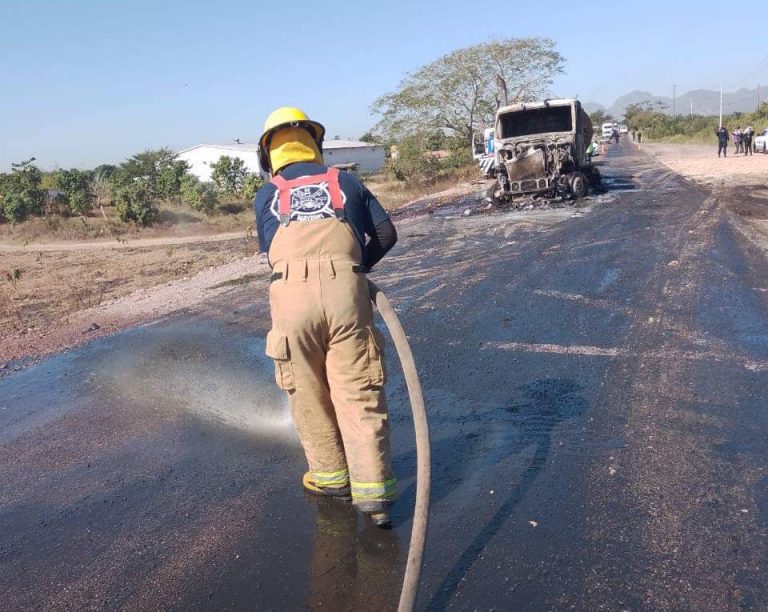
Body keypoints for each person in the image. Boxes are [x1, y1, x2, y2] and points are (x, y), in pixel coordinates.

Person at [254, 107, 398, 528]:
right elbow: (386, 234)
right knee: (358, 390)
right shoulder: (346, 181)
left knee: (308, 391)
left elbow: (272, 255)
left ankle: (331, 479)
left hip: (291, 296)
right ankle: (374, 496)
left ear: (268, 154)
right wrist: (354, 271)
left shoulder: (266, 195)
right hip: (346, 292)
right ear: (315, 145)